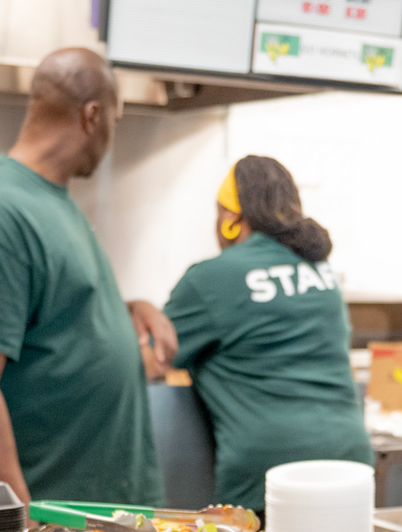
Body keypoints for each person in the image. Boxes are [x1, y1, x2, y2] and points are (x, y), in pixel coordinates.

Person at [0, 48, 175, 506]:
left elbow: (54, 314)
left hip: (90, 518)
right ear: (93, 115)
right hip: (49, 523)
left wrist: (129, 309)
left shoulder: (54, 203)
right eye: (115, 121)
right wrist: (22, 526)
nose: (110, 139)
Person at [160, 156, 373, 513]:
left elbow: (152, 356)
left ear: (231, 219)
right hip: (349, 461)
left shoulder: (211, 278)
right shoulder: (321, 270)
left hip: (267, 474)